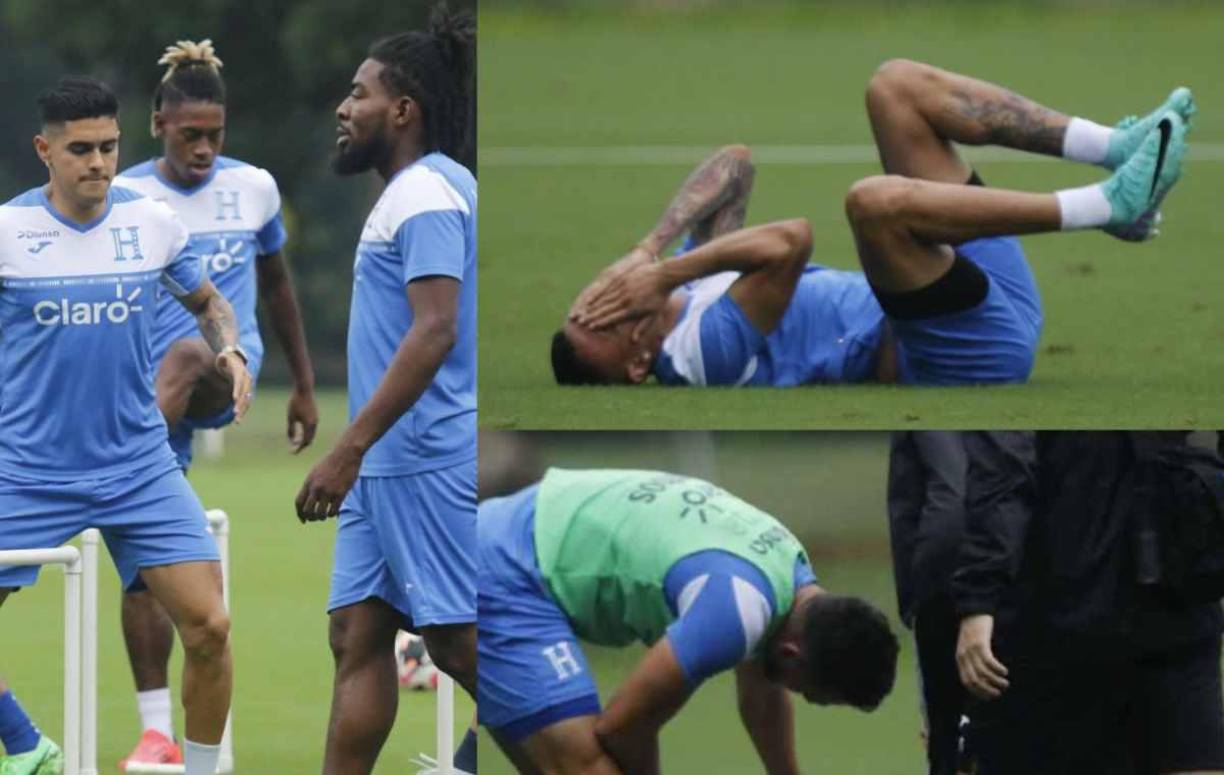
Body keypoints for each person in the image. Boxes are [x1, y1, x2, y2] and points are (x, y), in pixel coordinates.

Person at [554, 61, 1193, 387]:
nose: (606, 304)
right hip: (961, 352)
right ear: (637, 365)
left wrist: (648, 250)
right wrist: (664, 272)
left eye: (588, 305)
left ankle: (1113, 148)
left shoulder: (684, 290)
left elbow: (735, 166)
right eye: (605, 323)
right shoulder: (698, 357)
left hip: (967, 290)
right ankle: (1106, 206)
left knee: (894, 87)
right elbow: (789, 242)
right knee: (872, 204)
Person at [0, 76, 250, 775]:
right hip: (28, 469)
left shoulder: (152, 224)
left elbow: (210, 302)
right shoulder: (9, 232)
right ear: (44, 149)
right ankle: (26, 743)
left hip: (138, 467)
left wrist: (229, 347)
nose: (99, 163)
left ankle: (197, 770)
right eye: (81, 149)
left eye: (109, 146)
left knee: (211, 626)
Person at [110, 39, 317, 770]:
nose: (204, 148)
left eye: (215, 135)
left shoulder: (253, 187)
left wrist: (301, 382)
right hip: (147, 393)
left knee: (193, 351)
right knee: (143, 567)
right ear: (159, 124)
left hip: (224, 368)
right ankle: (157, 730)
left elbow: (278, 284)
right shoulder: (127, 193)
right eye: (190, 134)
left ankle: (129, 467)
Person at [293, 6, 478, 774]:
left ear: (402, 110)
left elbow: (434, 330)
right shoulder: (410, 191)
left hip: (422, 456)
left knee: (461, 646)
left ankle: (587, 741)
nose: (345, 107)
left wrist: (347, 449)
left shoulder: (428, 192)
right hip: (386, 465)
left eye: (359, 93)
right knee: (357, 635)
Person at [479, 468, 900, 774]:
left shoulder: (788, 572)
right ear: (793, 654)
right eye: (811, 694)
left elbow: (762, 695)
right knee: (587, 767)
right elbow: (624, 726)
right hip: (510, 567)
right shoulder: (732, 613)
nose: (800, 696)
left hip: (522, 527)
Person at [952, 432, 1224, 775]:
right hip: (1116, 607)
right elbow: (1004, 476)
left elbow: (1003, 475)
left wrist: (980, 598)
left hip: (1125, 607)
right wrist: (980, 594)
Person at [888, 432, 973, 775]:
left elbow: (911, 504)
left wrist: (914, 601)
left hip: (940, 581)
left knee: (950, 742)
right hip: (1018, 576)